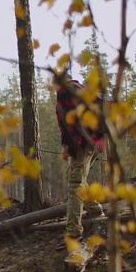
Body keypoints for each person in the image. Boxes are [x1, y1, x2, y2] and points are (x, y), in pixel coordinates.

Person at [54, 75, 105, 251]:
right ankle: (97, 212)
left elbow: (68, 123)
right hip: (95, 143)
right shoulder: (81, 89)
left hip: (83, 144)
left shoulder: (64, 92)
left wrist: (67, 145)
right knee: (79, 181)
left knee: (75, 184)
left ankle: (74, 234)